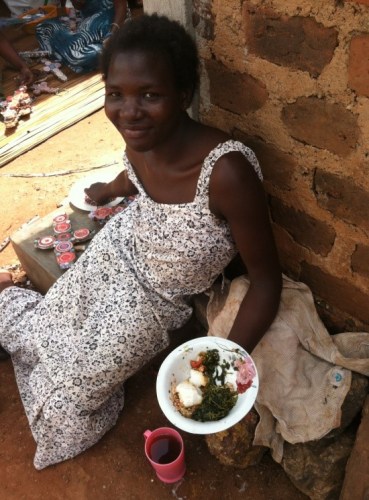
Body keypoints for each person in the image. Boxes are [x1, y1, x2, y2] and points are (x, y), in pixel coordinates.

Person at [0, 14, 281, 469]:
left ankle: (42, 349)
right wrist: (108, 191)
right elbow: (133, 172)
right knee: (49, 322)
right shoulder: (139, 138)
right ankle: (23, 324)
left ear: (183, 95)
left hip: (155, 300)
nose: (128, 112)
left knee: (71, 402)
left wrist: (224, 361)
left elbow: (268, 281)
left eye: (150, 94)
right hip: (119, 248)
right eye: (116, 95)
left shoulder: (226, 172)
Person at [35, 0, 130, 74]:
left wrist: (112, 34)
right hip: (88, 25)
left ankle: (102, 52)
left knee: (80, 54)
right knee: (43, 27)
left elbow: (121, 5)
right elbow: (78, 6)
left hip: (114, 22)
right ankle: (102, 52)